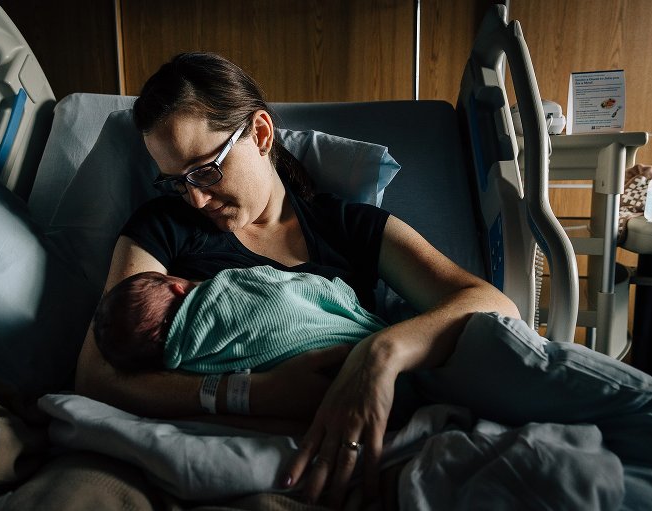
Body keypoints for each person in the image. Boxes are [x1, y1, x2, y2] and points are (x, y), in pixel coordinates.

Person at [74, 51, 520, 507]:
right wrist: (251, 394)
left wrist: (379, 354)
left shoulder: (349, 228)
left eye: (205, 171)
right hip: (191, 450)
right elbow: (97, 377)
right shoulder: (163, 225)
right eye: (176, 182)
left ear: (261, 133)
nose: (196, 200)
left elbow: (493, 305)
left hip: (317, 461)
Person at [92, 266, 388, 375]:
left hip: (353, 371)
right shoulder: (226, 285)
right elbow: (300, 285)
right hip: (365, 348)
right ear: (177, 287)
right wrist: (342, 297)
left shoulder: (190, 365)